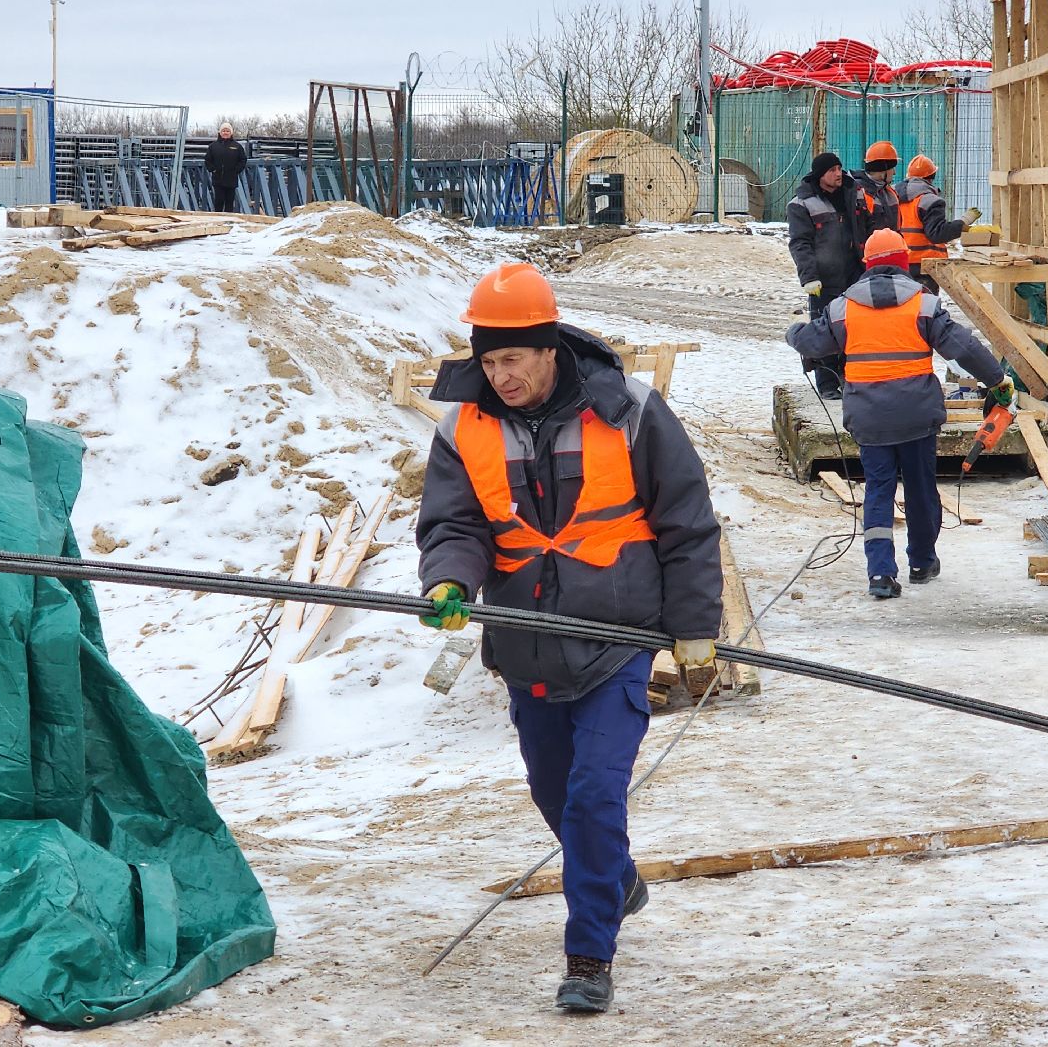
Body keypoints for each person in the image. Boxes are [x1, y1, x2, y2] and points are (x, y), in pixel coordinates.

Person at [416, 262, 723, 1014]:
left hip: (616, 636)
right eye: (487, 361)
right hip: (525, 642)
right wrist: (448, 580)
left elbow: (685, 521)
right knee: (555, 793)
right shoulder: (465, 428)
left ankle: (589, 956)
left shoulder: (631, 412)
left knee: (592, 797)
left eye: (511, 358)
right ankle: (614, 878)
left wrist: (693, 630)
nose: (500, 375)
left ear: (549, 347)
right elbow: (454, 524)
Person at [786, 229, 1011, 599]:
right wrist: (997, 379)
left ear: (867, 264)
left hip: (869, 419)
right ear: (904, 261)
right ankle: (922, 561)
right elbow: (963, 347)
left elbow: (812, 341)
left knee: (878, 490)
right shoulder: (923, 304)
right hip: (916, 415)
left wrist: (793, 333)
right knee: (921, 489)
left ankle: (880, 574)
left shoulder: (843, 307)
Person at [787, 151, 870, 399]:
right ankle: (826, 384)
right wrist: (809, 276)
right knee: (823, 331)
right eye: (832, 170)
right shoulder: (801, 204)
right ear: (820, 175)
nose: (838, 174)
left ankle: (850, 377)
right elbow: (800, 243)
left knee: (855, 328)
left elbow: (866, 227)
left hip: (855, 274)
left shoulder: (853, 193)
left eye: (839, 168)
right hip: (824, 280)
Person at [894, 155, 982, 295]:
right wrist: (963, 224)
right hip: (924, 265)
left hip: (900, 262)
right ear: (931, 177)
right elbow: (937, 233)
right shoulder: (930, 201)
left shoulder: (893, 196)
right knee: (925, 309)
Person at [851, 141, 901, 234]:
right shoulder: (858, 193)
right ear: (883, 170)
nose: (894, 173)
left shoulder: (890, 192)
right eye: (892, 168)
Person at [203, 123, 247, 213]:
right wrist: (213, 169)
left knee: (229, 202)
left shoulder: (237, 146)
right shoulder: (213, 146)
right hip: (218, 179)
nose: (225, 133)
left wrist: (236, 170)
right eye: (223, 131)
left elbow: (243, 160)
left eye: (227, 131)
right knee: (219, 201)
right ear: (220, 132)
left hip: (231, 179)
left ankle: (228, 221)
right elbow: (207, 160)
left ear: (231, 133)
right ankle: (218, 220)